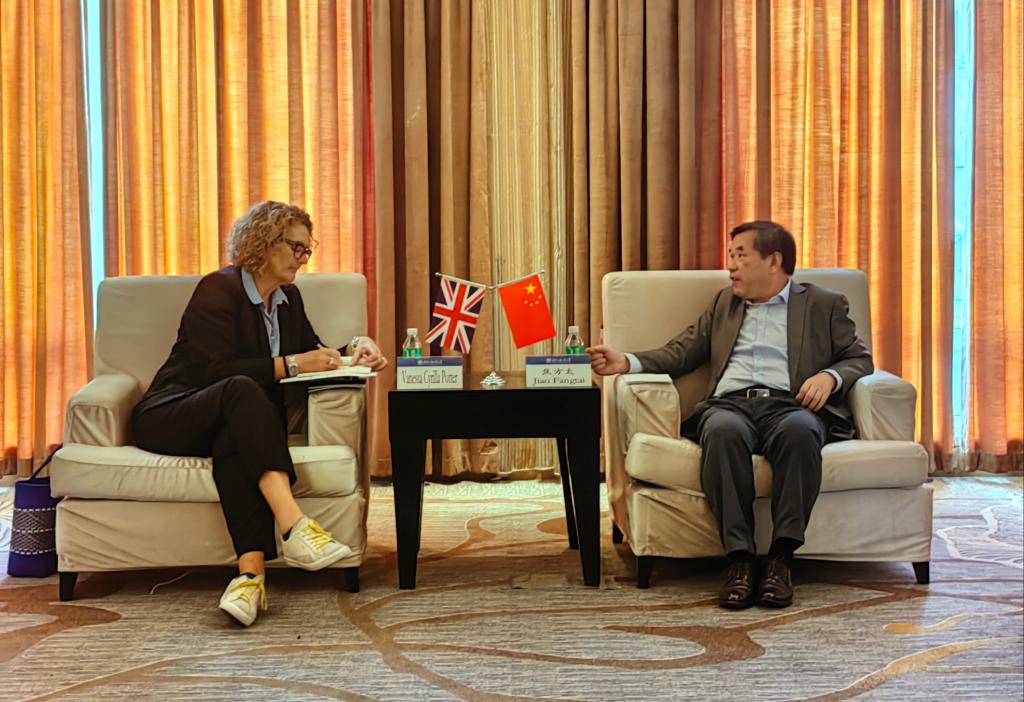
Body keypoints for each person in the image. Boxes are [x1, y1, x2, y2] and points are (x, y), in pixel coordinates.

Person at [587, 220, 873, 609]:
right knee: (722, 432)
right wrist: (626, 361)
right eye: (730, 256)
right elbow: (682, 352)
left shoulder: (823, 303)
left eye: (740, 255)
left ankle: (781, 560)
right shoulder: (725, 303)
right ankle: (739, 560)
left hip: (790, 406)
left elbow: (859, 358)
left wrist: (830, 376)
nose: (731, 266)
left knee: (800, 432)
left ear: (774, 261)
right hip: (729, 405)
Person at [132, 201, 388, 627]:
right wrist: (293, 364)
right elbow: (215, 371)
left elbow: (313, 352)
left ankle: (250, 579)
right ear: (264, 243)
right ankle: (294, 526)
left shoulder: (288, 299)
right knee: (241, 390)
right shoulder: (219, 289)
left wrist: (357, 348)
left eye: (307, 250)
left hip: (233, 420)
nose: (302, 259)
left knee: (236, 441)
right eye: (295, 247)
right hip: (171, 413)